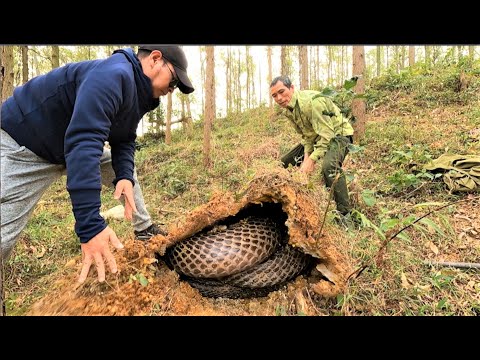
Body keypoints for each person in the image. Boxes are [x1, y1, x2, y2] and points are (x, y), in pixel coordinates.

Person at [1, 45, 194, 284]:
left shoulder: (138, 93)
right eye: (174, 82)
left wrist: (123, 175)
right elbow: (84, 144)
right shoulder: (113, 76)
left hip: (65, 146)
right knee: (3, 237)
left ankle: (144, 231)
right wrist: (90, 226)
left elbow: (124, 139)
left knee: (126, 171)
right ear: (155, 59)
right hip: (24, 143)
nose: (172, 91)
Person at [269, 75, 355, 222]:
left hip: (339, 134)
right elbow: (307, 136)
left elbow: (328, 135)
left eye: (282, 92)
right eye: (274, 95)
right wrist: (307, 156)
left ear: (292, 88)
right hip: (317, 137)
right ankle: (284, 205)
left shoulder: (312, 102)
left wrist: (312, 160)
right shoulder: (288, 110)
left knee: (330, 167)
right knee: (285, 163)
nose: (279, 98)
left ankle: (345, 216)